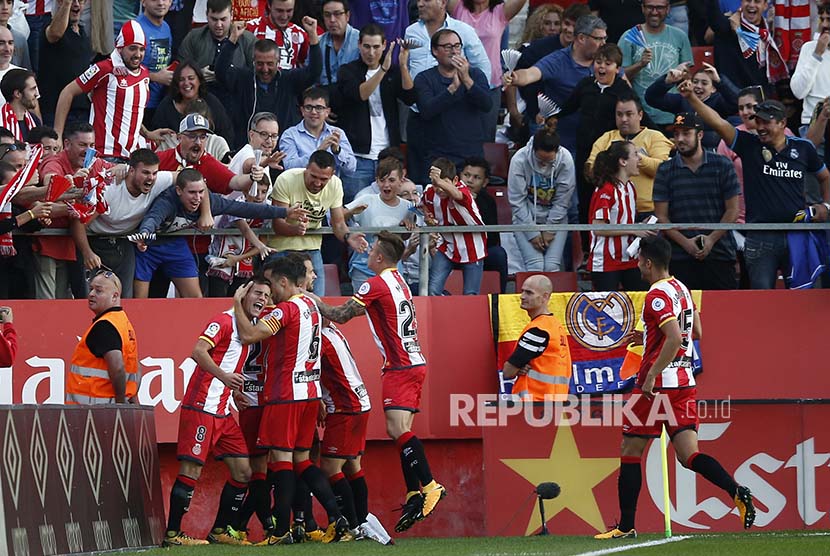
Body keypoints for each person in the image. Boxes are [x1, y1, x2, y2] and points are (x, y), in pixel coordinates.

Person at [594, 235, 756, 540]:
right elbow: (695, 331)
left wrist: (653, 373)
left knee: (630, 449)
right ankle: (737, 492)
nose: (638, 266)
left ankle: (626, 526)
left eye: (640, 261)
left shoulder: (656, 295)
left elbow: (673, 337)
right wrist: (646, 338)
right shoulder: (681, 288)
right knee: (688, 454)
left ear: (648, 262)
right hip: (685, 383)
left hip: (658, 387)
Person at [307, 231, 446, 534]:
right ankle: (413, 493)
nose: (366, 256)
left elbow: (342, 315)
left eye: (371, 252)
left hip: (399, 366)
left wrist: (315, 302)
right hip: (415, 362)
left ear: (379, 258)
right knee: (402, 430)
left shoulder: (375, 283)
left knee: (396, 430)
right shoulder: (398, 279)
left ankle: (431, 485)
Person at [233, 257, 352, 545]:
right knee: (302, 460)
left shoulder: (287, 309)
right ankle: (338, 518)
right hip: (310, 394)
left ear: (284, 282)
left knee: (282, 461)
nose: (271, 291)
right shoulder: (312, 305)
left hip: (285, 395)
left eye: (273, 284)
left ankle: (279, 531)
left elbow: (249, 335)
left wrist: (238, 302)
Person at [680, 82, 830, 289]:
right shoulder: (749, 145)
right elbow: (718, 123)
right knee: (762, 300)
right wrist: (691, 98)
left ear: (782, 123)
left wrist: (826, 206)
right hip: (760, 236)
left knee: (804, 298)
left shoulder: (802, 148)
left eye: (766, 122)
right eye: (757, 121)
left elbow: (825, 177)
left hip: (797, 234)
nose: (760, 127)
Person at [163, 279, 273, 547]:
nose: (263, 298)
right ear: (243, 294)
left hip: (223, 413)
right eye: (258, 292)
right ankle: (173, 534)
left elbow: (229, 360)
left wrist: (233, 392)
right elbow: (198, 352)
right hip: (201, 408)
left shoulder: (249, 328)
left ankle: (220, 530)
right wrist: (224, 376)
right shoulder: (223, 321)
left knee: (243, 472)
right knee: (192, 469)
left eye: (267, 295)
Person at [131, 168, 306, 298]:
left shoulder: (210, 202)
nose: (197, 198)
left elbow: (247, 209)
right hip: (149, 247)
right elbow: (152, 219)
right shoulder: (167, 201)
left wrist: (285, 212)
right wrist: (145, 234)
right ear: (179, 191)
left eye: (201, 192)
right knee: (140, 300)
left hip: (175, 246)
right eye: (191, 192)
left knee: (196, 299)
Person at [54, 20, 169, 161]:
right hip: (104, 155)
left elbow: (130, 111)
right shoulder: (104, 69)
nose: (138, 54)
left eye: (141, 49)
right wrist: (58, 135)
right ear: (120, 48)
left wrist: (147, 133)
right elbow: (67, 92)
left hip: (132, 156)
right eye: (132, 48)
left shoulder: (144, 73)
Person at [70, 148, 174, 299]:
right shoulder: (110, 187)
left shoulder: (158, 181)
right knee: (90, 297)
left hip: (123, 243)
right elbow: (79, 222)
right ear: (131, 170)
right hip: (93, 241)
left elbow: (187, 177)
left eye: (154, 173)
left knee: (125, 298)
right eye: (145, 172)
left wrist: (205, 212)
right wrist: (87, 253)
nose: (151, 178)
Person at [654, 112, 741, 290]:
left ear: (700, 135)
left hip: (720, 253)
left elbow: (733, 210)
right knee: (683, 315)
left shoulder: (723, 164)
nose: (680, 139)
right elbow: (661, 217)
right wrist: (686, 244)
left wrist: (710, 240)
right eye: (676, 134)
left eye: (686, 133)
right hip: (679, 257)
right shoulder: (665, 170)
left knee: (725, 313)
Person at [503, 15, 608, 159]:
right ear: (582, 38)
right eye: (598, 39)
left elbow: (624, 85)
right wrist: (515, 77)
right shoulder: (558, 60)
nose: (604, 43)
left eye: (604, 38)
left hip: (597, 144)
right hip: (561, 144)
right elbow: (531, 73)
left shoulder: (606, 60)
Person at [267, 150, 368, 296]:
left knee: (316, 301)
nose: (317, 183)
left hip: (312, 249)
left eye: (323, 179)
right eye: (313, 176)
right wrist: (295, 229)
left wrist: (348, 237)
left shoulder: (336, 184)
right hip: (282, 248)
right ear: (306, 168)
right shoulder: (287, 179)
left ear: (332, 175)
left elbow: (338, 224)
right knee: (281, 301)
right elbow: (277, 224)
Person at [335, 25, 416, 203]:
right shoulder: (348, 71)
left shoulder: (392, 71)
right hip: (358, 158)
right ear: (359, 45)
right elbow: (360, 94)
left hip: (388, 156)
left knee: (390, 209)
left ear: (385, 45)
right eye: (367, 46)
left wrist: (402, 66)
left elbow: (410, 98)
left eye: (376, 47)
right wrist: (382, 70)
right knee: (355, 208)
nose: (371, 52)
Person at [216, 22, 321, 150]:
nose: (265, 69)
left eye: (270, 64)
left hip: (283, 150)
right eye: (260, 63)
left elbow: (314, 72)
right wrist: (232, 39)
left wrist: (313, 36)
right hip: (247, 149)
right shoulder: (243, 78)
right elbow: (221, 71)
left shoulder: (288, 80)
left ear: (278, 62)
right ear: (253, 61)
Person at [412, 29, 492, 183]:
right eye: (448, 47)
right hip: (438, 157)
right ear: (435, 50)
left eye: (457, 46)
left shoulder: (475, 75)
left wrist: (466, 80)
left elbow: (487, 105)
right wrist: (452, 88)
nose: (454, 51)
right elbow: (427, 111)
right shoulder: (424, 78)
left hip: (470, 158)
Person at [448, 0, 530, 140]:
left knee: (486, 137)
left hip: (490, 86)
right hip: (459, 83)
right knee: (458, 134)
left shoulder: (500, 12)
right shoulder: (458, 8)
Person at [319, 319, 372, 533]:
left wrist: (316, 400)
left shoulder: (319, 338)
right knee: (352, 465)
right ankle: (362, 522)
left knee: (330, 467)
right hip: (360, 402)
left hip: (345, 407)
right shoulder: (333, 331)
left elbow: (307, 370)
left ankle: (351, 525)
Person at [586, 95, 674, 220]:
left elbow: (662, 169)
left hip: (648, 211)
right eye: (619, 114)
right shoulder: (606, 137)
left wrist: (636, 157)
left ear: (640, 115)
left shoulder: (655, 137)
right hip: (614, 208)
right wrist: (623, 158)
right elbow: (591, 169)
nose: (624, 119)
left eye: (629, 114)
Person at [65, 270, 139, 404]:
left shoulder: (104, 326)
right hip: (106, 409)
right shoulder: (123, 322)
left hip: (95, 411)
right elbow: (135, 368)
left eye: (98, 291)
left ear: (115, 296)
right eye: (91, 289)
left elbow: (117, 368)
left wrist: (120, 405)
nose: (91, 294)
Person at [508, 128, 575, 272]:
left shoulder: (566, 160)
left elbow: (563, 201)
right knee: (535, 265)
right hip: (525, 217)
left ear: (557, 152)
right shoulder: (519, 160)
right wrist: (532, 232)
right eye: (540, 160)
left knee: (551, 266)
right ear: (533, 150)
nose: (544, 164)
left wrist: (550, 229)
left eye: (549, 161)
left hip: (556, 218)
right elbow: (517, 201)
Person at [587, 141, 651, 291]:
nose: (639, 159)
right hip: (605, 262)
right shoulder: (606, 190)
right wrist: (633, 229)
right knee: (606, 308)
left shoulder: (630, 187)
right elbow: (598, 228)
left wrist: (641, 225)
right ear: (623, 161)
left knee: (637, 302)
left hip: (629, 258)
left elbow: (626, 221)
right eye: (635, 154)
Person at [620, 0, 693, 128]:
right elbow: (619, 76)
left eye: (659, 8)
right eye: (650, 7)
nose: (654, 12)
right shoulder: (629, 36)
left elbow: (688, 76)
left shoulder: (680, 36)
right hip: (641, 115)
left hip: (672, 114)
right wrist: (640, 64)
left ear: (668, 9)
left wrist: (682, 73)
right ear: (642, 8)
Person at [344, 157, 413, 291]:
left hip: (392, 270)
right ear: (376, 181)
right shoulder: (366, 199)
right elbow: (336, 216)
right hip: (363, 269)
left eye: (391, 180)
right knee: (362, 311)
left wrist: (407, 227)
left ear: (401, 180)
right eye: (382, 180)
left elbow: (404, 238)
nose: (386, 185)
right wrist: (351, 212)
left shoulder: (408, 207)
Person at [423, 157, 488, 296]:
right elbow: (417, 206)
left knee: (471, 295)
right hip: (447, 246)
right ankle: (439, 314)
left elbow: (457, 195)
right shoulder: (430, 192)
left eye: (444, 183)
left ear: (455, 181)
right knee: (433, 290)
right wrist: (425, 215)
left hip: (473, 247)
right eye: (435, 184)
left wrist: (438, 180)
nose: (439, 189)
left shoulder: (463, 190)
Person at [502, 274, 572, 400]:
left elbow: (508, 372)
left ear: (545, 297)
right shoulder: (555, 325)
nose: (522, 296)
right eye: (522, 291)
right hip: (554, 402)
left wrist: (517, 369)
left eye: (529, 293)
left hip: (533, 404)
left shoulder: (537, 331)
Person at [178, 0, 256, 108]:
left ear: (231, 15)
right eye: (214, 19)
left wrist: (231, 74)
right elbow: (180, 69)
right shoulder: (193, 38)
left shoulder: (247, 39)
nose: (219, 25)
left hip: (237, 100)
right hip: (201, 99)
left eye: (223, 19)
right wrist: (198, 74)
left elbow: (256, 74)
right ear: (206, 15)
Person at [644, 61, 739, 149]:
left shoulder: (719, 102)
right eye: (695, 82)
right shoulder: (682, 100)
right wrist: (667, 81)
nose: (698, 86)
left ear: (713, 89)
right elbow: (652, 98)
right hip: (684, 152)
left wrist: (719, 81)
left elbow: (737, 102)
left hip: (713, 153)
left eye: (704, 83)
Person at [703, 0, 782, 96]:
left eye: (757, 1)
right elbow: (714, 17)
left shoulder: (766, 32)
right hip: (730, 95)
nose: (752, 5)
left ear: (765, 6)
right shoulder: (728, 25)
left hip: (758, 97)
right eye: (748, 0)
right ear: (741, 3)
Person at [151, 61, 234, 146]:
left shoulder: (212, 103)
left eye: (191, 78)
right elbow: (156, 137)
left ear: (199, 80)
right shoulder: (167, 105)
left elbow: (226, 134)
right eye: (181, 79)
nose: (186, 83)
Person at [38, 0, 93, 127]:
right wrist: (66, 4)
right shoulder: (49, 27)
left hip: (82, 111)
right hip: (54, 111)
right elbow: (56, 33)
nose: (76, 5)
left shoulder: (83, 33)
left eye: (80, 1)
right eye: (71, 1)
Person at [279, 86, 356, 175]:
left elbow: (351, 169)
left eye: (319, 108)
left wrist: (337, 151)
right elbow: (289, 168)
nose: (314, 112)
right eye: (309, 107)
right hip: (299, 187)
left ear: (327, 112)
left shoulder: (337, 133)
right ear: (302, 110)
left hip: (330, 187)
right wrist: (318, 152)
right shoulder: (290, 134)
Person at [460, 157, 508, 292]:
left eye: (476, 177)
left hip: (480, 250)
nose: (469, 180)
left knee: (498, 254)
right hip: (454, 250)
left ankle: (500, 300)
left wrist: (474, 205)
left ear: (485, 182)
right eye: (466, 175)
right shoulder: (448, 196)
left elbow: (493, 238)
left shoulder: (488, 201)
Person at [789, 3, 830, 138]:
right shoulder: (809, 48)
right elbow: (798, 92)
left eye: (829, 19)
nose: (824, 25)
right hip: (811, 125)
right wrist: (817, 54)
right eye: (822, 19)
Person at [136, 0, 174, 124]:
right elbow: (122, 69)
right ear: (143, 2)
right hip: (139, 104)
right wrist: (155, 77)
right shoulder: (135, 28)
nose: (161, 3)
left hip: (162, 103)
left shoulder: (166, 27)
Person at [246, 0, 310, 70]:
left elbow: (306, 66)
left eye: (289, 11)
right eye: (279, 11)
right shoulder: (250, 29)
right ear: (269, 6)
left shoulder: (300, 34)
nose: (284, 17)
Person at [318, 0, 359, 87]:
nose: (332, 20)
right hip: (324, 96)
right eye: (327, 15)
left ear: (347, 16)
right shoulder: (318, 43)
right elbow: (310, 78)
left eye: (337, 14)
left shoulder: (360, 41)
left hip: (353, 96)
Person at [0, 69, 40, 141]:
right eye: (32, 89)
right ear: (17, 94)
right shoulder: (0, 120)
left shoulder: (35, 120)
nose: (36, 94)